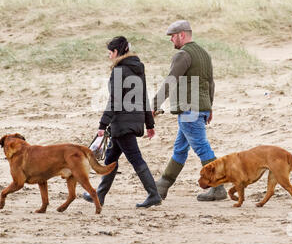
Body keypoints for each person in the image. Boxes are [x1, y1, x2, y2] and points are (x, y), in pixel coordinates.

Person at [152, 20, 227, 201]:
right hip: (200, 108)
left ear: (182, 35)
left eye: (172, 36)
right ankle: (162, 185)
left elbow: (171, 80)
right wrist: (209, 107)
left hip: (188, 110)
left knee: (201, 147)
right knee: (180, 149)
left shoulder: (183, 55)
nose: (171, 40)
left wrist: (154, 105)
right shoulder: (204, 54)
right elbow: (210, 83)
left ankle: (218, 187)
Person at [83, 36, 162, 208]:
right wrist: (149, 124)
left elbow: (115, 101)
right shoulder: (138, 69)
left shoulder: (119, 71)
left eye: (110, 53)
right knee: (111, 158)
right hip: (132, 121)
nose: (109, 56)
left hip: (122, 123)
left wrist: (103, 125)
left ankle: (153, 194)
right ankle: (99, 195)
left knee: (135, 158)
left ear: (117, 52)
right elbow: (144, 98)